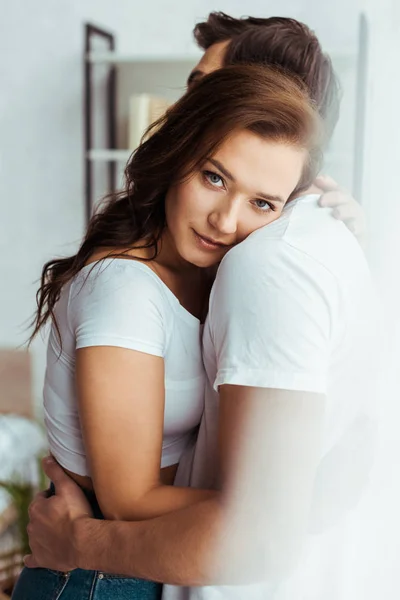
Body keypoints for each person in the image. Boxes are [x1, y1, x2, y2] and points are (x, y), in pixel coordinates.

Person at [23, 13, 373, 600]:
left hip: (140, 566)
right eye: (214, 177)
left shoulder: (233, 267)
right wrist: (292, 510)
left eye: (263, 201)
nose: (227, 220)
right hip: (96, 577)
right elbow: (127, 500)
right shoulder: (125, 289)